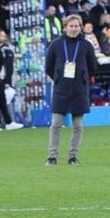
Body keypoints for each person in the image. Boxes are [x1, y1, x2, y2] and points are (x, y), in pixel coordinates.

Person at [44, 14, 98, 164]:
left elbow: (93, 66)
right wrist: (59, 78)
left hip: (79, 90)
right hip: (61, 90)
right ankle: (52, 156)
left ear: (80, 27)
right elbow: (49, 66)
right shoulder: (55, 44)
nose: (74, 29)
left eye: (76, 26)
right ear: (65, 27)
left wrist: (82, 78)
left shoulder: (86, 45)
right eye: (71, 26)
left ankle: (72, 156)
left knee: (78, 125)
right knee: (56, 124)